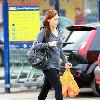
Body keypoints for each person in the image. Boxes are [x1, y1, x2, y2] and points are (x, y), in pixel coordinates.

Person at [34, 10, 72, 100]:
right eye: (55, 19)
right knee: (58, 86)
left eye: (57, 19)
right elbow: (35, 45)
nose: (57, 21)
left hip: (56, 65)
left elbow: (59, 49)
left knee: (46, 88)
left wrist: (65, 61)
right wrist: (49, 44)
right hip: (47, 64)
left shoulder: (59, 32)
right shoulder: (44, 32)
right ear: (48, 20)